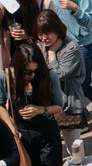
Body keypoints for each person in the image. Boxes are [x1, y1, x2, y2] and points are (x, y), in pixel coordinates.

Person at [36, 9, 86, 146]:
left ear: (57, 30)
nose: (44, 38)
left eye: (47, 33)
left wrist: (51, 54)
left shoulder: (71, 48)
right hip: (47, 102)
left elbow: (58, 75)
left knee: (74, 146)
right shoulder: (40, 45)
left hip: (68, 103)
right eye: (41, 34)